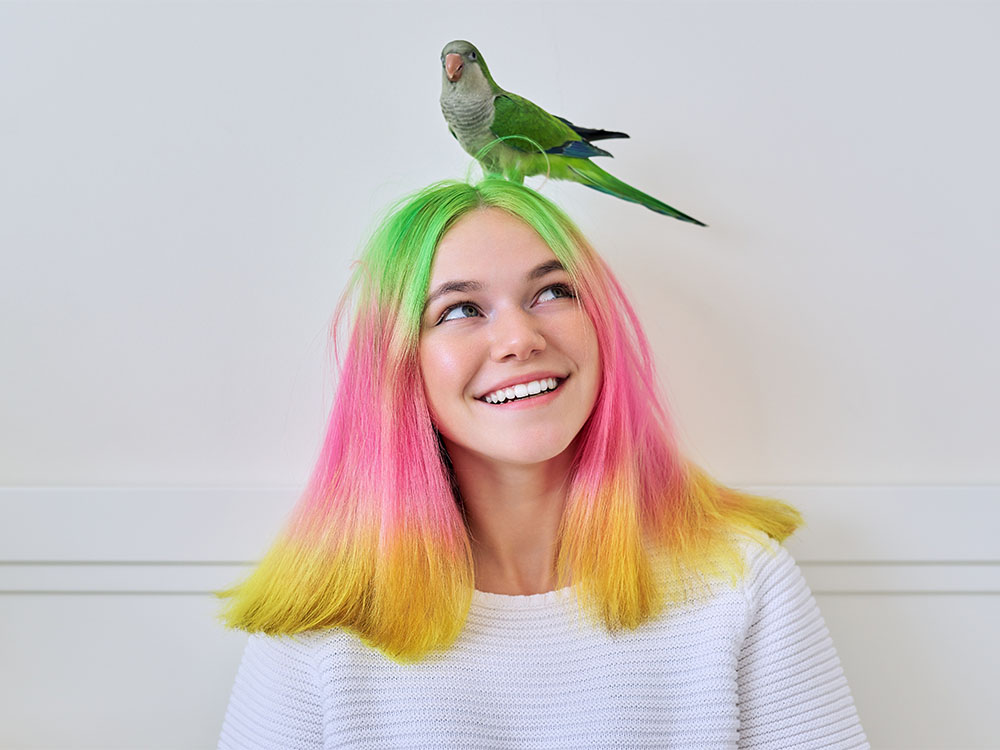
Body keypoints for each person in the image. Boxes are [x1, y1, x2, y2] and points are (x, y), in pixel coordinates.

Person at [216, 177, 869, 749]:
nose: (521, 339)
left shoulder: (742, 584)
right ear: (399, 363)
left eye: (552, 292)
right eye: (462, 310)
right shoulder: (318, 628)